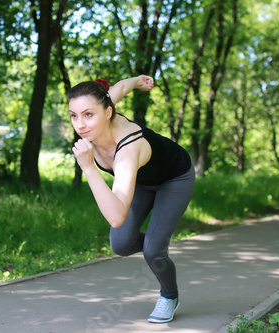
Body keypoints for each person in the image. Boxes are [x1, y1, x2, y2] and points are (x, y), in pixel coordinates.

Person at [67, 75, 195, 323]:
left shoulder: (128, 147)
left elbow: (116, 216)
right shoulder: (100, 107)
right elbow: (120, 88)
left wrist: (90, 168)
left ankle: (169, 295)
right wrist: (138, 81)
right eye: (74, 115)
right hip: (142, 181)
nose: (80, 124)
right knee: (121, 244)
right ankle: (156, 246)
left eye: (87, 115)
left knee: (153, 251)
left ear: (107, 113)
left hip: (174, 178)